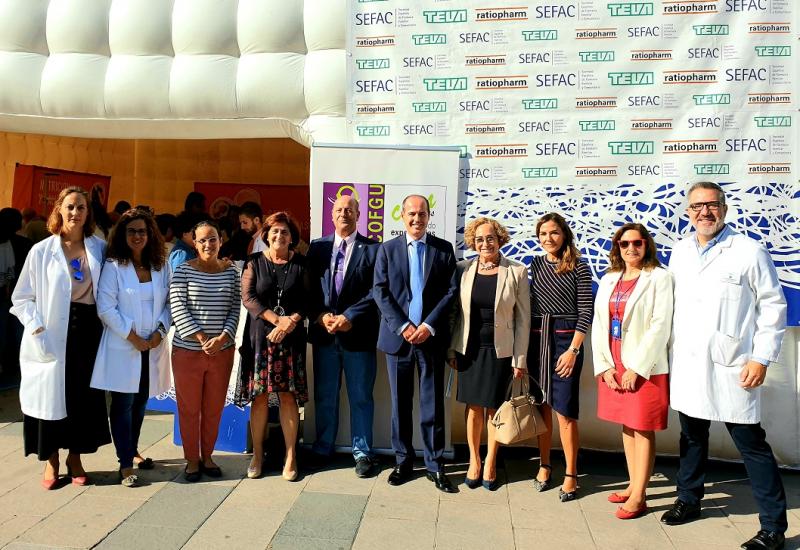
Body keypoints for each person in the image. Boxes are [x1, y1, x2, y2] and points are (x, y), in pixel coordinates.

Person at [660, 182, 788, 550]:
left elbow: (773, 306)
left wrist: (761, 358)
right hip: (689, 362)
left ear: (724, 208)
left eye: (712, 205)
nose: (705, 212)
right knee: (691, 436)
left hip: (733, 365)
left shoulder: (749, 251)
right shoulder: (681, 251)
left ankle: (773, 527)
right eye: (697, 206)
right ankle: (688, 499)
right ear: (688, 212)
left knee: (751, 444)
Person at [10, 186, 111, 489]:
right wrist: (36, 327)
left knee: (82, 397)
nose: (75, 213)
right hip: (51, 331)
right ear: (59, 210)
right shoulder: (41, 251)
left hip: (88, 331)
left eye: (81, 207)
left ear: (88, 213)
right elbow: (21, 298)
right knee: (52, 396)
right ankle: (51, 458)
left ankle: (75, 458)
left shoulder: (99, 248)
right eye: (70, 207)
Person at [373, 194, 458, 493]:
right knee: (400, 404)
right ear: (402, 216)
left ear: (428, 216)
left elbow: (450, 292)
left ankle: (435, 465)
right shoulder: (387, 249)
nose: (417, 219)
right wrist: (404, 326)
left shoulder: (443, 249)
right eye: (411, 213)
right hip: (399, 340)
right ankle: (403, 461)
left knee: (432, 405)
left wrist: (427, 326)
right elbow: (380, 291)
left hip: (430, 339)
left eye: (422, 214)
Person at [591, 223, 672, 519]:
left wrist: (637, 368)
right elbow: (600, 323)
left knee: (642, 426)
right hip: (614, 362)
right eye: (624, 244)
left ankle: (640, 495)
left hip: (644, 365)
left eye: (637, 243)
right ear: (617, 248)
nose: (631, 248)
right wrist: (605, 366)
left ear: (646, 245)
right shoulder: (609, 278)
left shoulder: (659, 277)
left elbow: (660, 325)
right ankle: (632, 483)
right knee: (627, 424)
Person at [90, 208, 172, 487]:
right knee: (123, 404)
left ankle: (133, 450)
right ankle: (125, 463)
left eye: (142, 231)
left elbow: (170, 303)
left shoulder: (161, 266)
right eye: (132, 231)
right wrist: (132, 336)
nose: (137, 236)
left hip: (153, 345)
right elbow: (105, 307)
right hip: (124, 345)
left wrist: (161, 331)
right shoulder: (114, 266)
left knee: (140, 403)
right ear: (122, 235)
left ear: (150, 235)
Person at [448, 217, 530, 491]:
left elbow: (523, 320)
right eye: (480, 239)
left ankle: (492, 461)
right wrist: (451, 349)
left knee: (495, 408)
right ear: (473, 242)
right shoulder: (462, 269)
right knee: (473, 408)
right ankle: (474, 460)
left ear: (499, 239)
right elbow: (454, 313)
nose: (485, 244)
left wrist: (519, 359)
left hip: (500, 352)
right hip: (469, 350)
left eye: (490, 238)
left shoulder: (516, 271)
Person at [306, 195, 379, 477]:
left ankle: (362, 453)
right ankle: (323, 447)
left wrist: (350, 317)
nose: (344, 213)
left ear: (359, 215)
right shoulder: (318, 247)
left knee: (361, 397)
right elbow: (309, 289)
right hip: (325, 336)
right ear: (331, 215)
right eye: (339, 209)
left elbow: (377, 291)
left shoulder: (373, 249)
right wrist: (321, 315)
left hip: (358, 336)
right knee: (325, 396)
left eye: (349, 209)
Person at [236, 212, 310, 481]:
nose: (279, 236)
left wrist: (290, 322)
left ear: (292, 237)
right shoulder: (254, 262)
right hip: (259, 340)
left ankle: (290, 456)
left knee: (288, 397)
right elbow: (248, 297)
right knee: (260, 397)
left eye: (285, 232)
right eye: (275, 231)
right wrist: (278, 320)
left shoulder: (301, 264)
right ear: (266, 235)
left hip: (291, 340)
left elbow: (309, 299)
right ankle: (257, 455)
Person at [169, 220, 240, 482]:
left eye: (212, 239)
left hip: (222, 352)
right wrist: (201, 337)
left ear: (221, 241)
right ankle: (191, 459)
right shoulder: (183, 271)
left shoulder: (231, 272)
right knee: (189, 408)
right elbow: (177, 306)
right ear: (194, 243)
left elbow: (235, 307)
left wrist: (222, 338)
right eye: (202, 240)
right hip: (187, 352)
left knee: (214, 407)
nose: (208, 244)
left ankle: (207, 456)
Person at [528, 212, 592, 501]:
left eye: (553, 232)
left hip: (566, 342)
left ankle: (571, 473)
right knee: (541, 407)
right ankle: (544, 464)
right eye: (543, 234)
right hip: (538, 339)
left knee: (565, 411)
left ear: (564, 234)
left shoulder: (579, 266)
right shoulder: (536, 264)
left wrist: (573, 350)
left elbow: (586, 312)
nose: (548, 238)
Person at [0, 208, 32, 382]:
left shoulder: (10, 243)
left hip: (9, 296)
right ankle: (12, 367)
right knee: (14, 333)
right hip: (16, 296)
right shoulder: (24, 244)